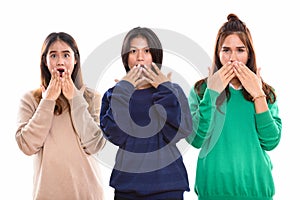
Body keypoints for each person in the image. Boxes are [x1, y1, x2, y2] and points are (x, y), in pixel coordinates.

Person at [186, 13, 282, 200]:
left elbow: (271, 142)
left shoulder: (265, 92)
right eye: (226, 50)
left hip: (256, 191)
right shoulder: (200, 90)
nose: (233, 58)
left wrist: (258, 94)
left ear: (249, 54)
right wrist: (211, 93)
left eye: (240, 50)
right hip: (213, 191)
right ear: (218, 53)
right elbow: (196, 139)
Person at [100, 27, 192, 200]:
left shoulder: (172, 90)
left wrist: (165, 90)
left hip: (168, 187)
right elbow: (116, 135)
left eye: (147, 51)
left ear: (155, 56)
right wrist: (122, 92)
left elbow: (177, 133)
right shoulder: (115, 94)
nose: (140, 57)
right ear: (126, 57)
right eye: (133, 51)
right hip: (127, 187)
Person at [15, 32, 106, 200]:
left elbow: (95, 145)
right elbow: (27, 145)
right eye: (53, 55)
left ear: (75, 59)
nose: (60, 61)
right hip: (47, 194)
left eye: (66, 55)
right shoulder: (30, 99)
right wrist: (48, 100)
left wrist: (75, 98)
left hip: (88, 194)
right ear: (45, 61)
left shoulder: (93, 98)